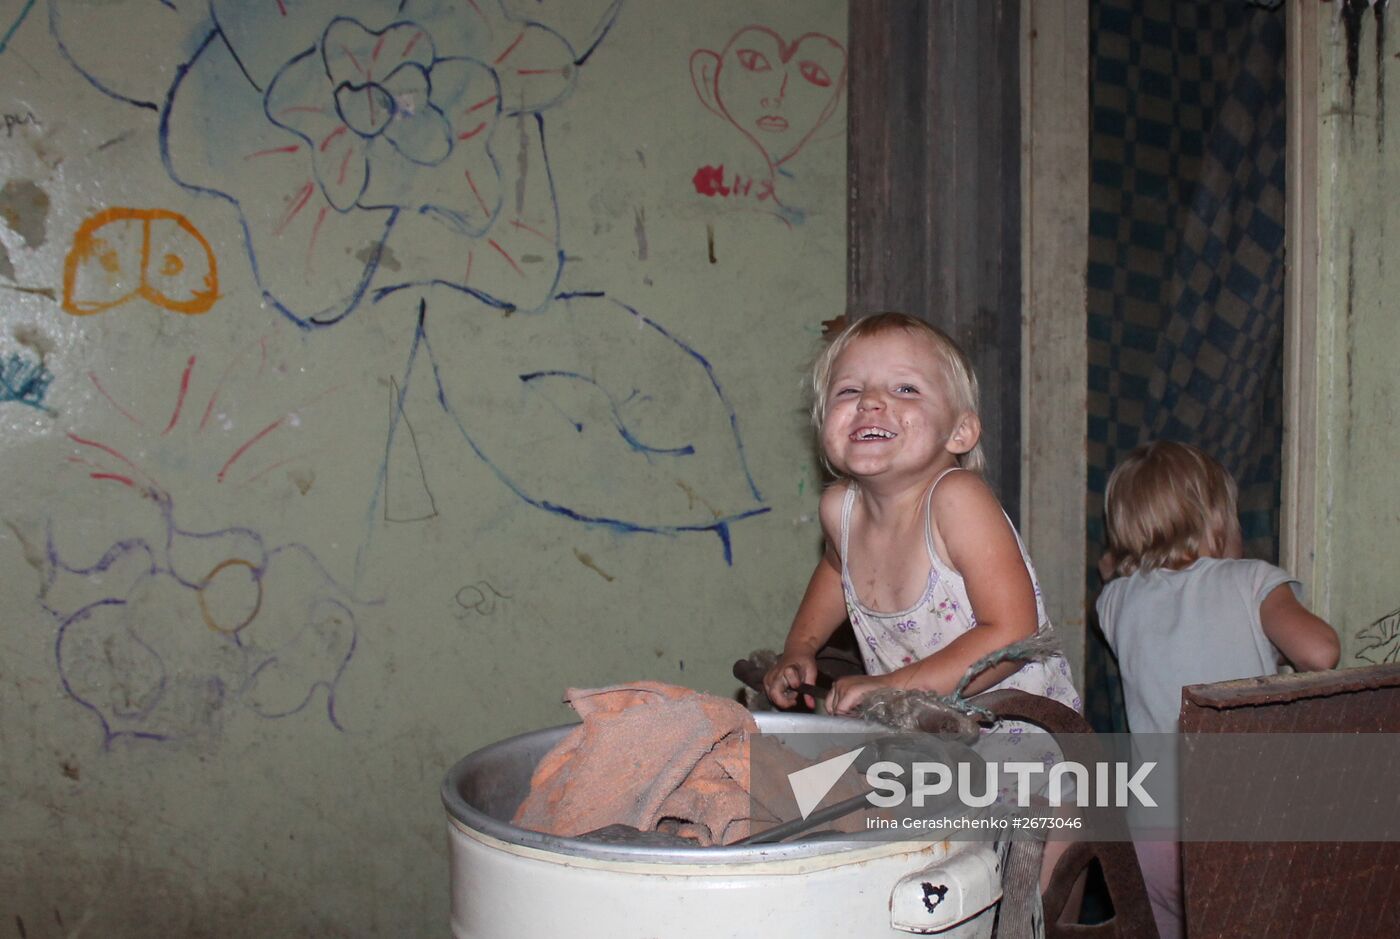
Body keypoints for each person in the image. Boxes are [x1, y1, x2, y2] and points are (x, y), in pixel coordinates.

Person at [762, 312, 1080, 716]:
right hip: (922, 733)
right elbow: (834, 570)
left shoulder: (957, 500)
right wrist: (799, 648)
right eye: (848, 390)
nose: (870, 400)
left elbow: (1014, 634)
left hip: (1014, 737)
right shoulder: (840, 510)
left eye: (905, 388)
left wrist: (892, 687)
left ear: (959, 432)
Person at [1096, 439, 1340, 939]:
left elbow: (1110, 566)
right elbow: (1320, 653)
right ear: (1217, 520)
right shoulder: (1251, 581)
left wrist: (1134, 545)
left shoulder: (1116, 602)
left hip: (1153, 830)